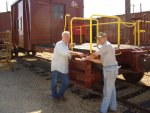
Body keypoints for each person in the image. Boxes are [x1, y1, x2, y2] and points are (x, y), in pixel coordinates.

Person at [83, 32, 118, 113]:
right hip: (110, 69)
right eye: (98, 39)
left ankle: (103, 110)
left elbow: (95, 54)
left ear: (105, 38)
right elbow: (101, 61)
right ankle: (113, 107)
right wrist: (89, 59)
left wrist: (86, 58)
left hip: (110, 70)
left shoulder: (107, 45)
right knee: (112, 90)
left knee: (106, 91)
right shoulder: (105, 47)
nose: (99, 40)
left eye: (100, 38)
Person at [51, 31, 84, 101]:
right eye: (65, 37)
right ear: (62, 37)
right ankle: (54, 96)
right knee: (54, 83)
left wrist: (69, 46)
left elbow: (66, 51)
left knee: (66, 83)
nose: (67, 38)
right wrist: (78, 53)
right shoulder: (59, 44)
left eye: (68, 37)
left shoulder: (66, 44)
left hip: (63, 68)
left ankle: (60, 95)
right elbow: (66, 53)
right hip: (56, 67)